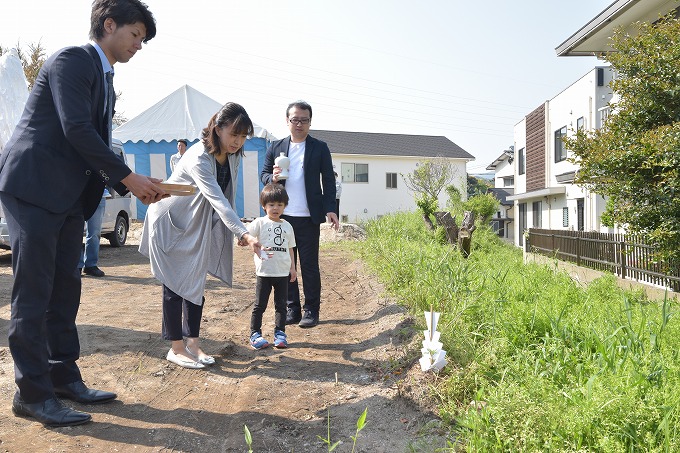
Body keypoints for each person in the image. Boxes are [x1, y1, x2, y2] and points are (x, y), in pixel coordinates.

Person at [0, 0, 164, 427]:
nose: (138, 47)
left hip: (70, 197)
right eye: (135, 36)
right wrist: (129, 178)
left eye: (142, 41)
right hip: (34, 188)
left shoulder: (106, 79)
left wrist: (127, 180)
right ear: (109, 25)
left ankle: (63, 378)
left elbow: (92, 142)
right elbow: (76, 129)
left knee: (64, 291)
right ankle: (32, 394)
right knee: (34, 294)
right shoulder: (73, 59)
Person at [139, 102, 262, 370]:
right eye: (234, 135)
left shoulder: (233, 155)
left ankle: (193, 344)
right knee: (174, 285)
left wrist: (234, 230)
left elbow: (229, 194)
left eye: (243, 137)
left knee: (195, 282)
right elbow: (217, 199)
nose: (238, 142)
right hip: (171, 223)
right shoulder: (198, 157)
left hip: (196, 224)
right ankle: (176, 348)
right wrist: (243, 232)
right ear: (217, 129)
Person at [260, 101, 339, 328]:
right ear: (287, 121)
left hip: (308, 216)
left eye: (304, 120)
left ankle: (311, 310)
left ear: (310, 122)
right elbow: (263, 174)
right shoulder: (276, 147)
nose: (299, 124)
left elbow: (329, 181)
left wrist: (330, 208)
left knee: (309, 265)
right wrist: (271, 179)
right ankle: (291, 308)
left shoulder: (320, 147)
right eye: (295, 119)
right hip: (282, 217)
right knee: (286, 264)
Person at [247, 183, 297, 350]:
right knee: (259, 305)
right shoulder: (259, 223)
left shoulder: (287, 226)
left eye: (279, 205)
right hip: (264, 272)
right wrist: (248, 243)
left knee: (281, 305)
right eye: (271, 205)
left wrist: (293, 268)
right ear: (264, 206)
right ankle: (255, 334)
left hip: (282, 272)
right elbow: (246, 237)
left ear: (284, 206)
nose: (275, 208)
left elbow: (290, 248)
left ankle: (280, 333)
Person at [79, 192, 107, 277]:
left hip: (99, 195)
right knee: (76, 232)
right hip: (78, 193)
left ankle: (91, 265)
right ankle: (77, 265)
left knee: (95, 232)